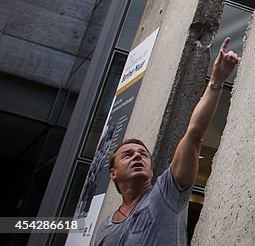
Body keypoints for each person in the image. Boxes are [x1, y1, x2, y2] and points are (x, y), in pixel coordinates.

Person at [95, 37, 240, 245]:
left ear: (151, 170)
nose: (137, 156)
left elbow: (194, 134)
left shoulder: (167, 192)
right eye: (128, 155)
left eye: (143, 154)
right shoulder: (105, 228)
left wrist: (216, 81)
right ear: (113, 173)